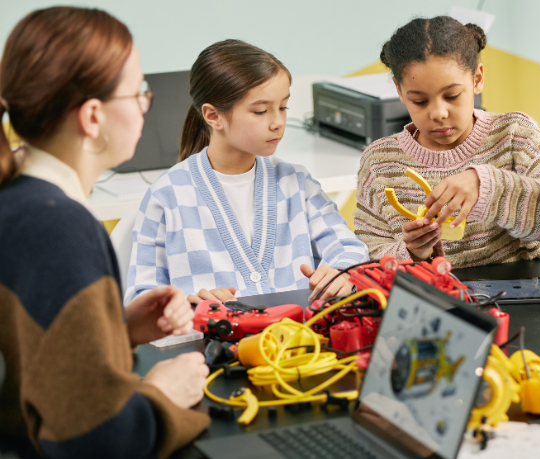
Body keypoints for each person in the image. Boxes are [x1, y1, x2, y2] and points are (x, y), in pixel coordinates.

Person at [0, 7, 209, 459]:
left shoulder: (18, 198)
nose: (145, 104)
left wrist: (116, 330)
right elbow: (101, 441)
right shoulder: (58, 229)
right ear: (92, 117)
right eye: (138, 93)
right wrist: (162, 393)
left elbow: (33, 356)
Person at [124, 40, 368, 306]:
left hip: (301, 342)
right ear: (213, 116)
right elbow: (141, 299)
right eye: (260, 111)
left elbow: (349, 251)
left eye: (283, 107)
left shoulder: (298, 184)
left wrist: (341, 273)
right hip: (209, 346)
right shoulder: (167, 196)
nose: (277, 122)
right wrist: (189, 305)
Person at [355, 16, 540, 267]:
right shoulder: (379, 162)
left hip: (514, 296)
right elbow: (367, 256)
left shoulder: (514, 134)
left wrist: (488, 187)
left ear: (477, 79)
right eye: (419, 101)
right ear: (399, 90)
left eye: (451, 95)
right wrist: (412, 253)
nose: (438, 113)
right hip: (427, 300)